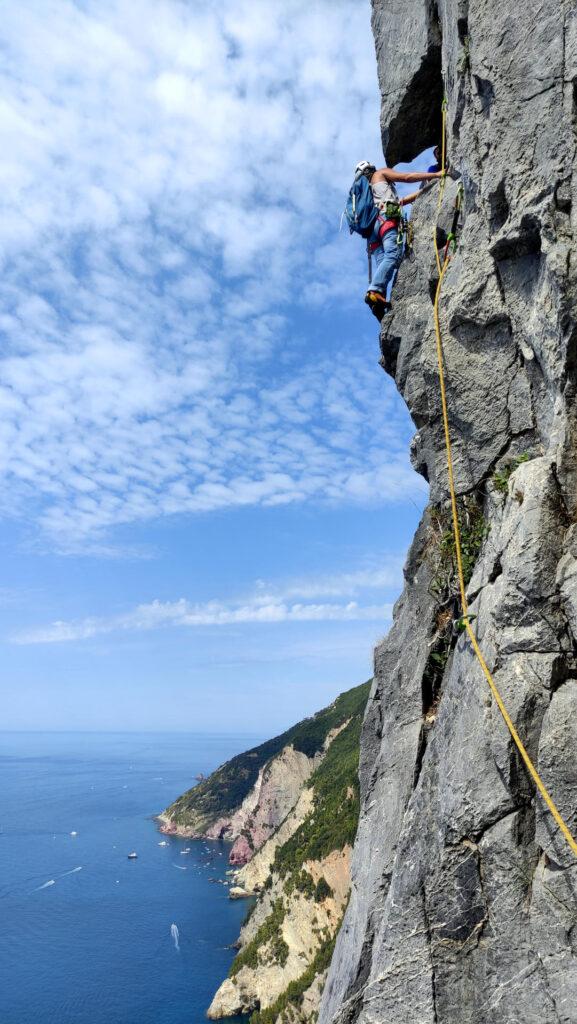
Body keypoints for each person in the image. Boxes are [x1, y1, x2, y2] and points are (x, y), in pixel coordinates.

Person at [355, 160, 444, 319]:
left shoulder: (366, 192)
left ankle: (378, 300)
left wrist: (425, 190)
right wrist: (436, 175)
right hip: (386, 220)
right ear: (371, 169)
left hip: (372, 234)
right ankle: (374, 290)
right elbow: (407, 177)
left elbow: (400, 202)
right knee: (393, 256)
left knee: (387, 263)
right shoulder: (380, 174)